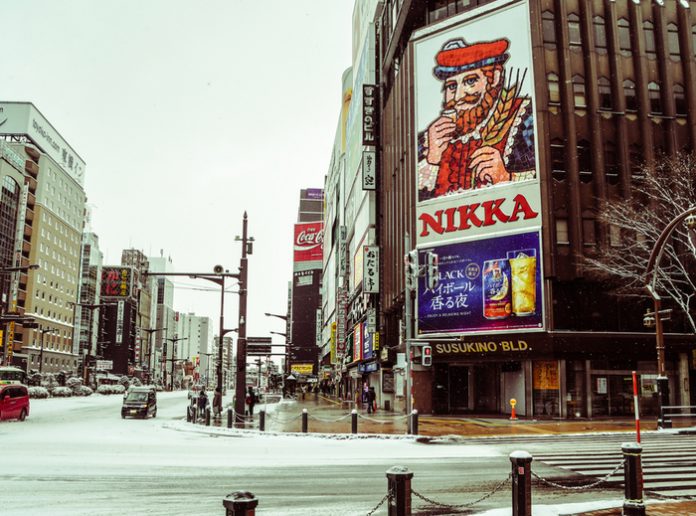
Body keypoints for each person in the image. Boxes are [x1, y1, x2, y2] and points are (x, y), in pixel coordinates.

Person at [417, 37, 535, 200]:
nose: (458, 96)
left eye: (470, 81)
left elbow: (547, 179)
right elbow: (409, 205)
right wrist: (431, 161)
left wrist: (506, 177)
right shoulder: (428, 140)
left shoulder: (525, 119)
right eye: (452, 86)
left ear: (493, 77)